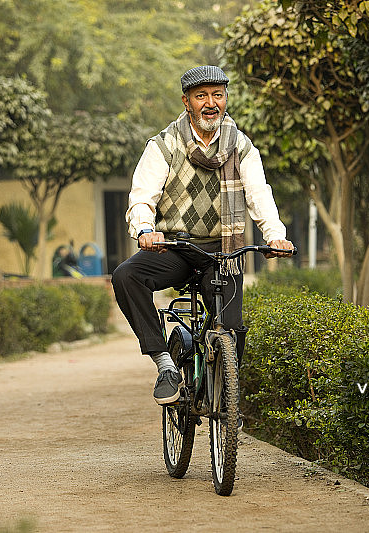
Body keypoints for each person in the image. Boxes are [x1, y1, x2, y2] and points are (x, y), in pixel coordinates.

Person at [112, 65, 294, 405]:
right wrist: (145, 229)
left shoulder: (241, 146)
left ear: (225, 99)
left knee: (233, 330)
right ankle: (165, 364)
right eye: (201, 96)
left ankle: (226, 405)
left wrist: (275, 235)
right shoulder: (164, 144)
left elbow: (258, 194)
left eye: (217, 95)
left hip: (224, 251)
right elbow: (142, 197)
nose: (211, 103)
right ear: (187, 102)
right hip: (174, 247)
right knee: (126, 276)